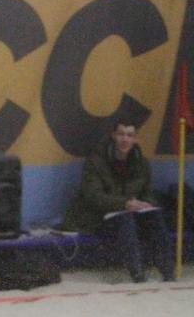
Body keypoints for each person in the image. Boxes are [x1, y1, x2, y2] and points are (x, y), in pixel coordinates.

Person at [61, 119, 175, 282]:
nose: (125, 139)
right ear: (113, 135)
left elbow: (147, 192)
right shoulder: (95, 161)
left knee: (155, 216)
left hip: (131, 214)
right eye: (121, 134)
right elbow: (92, 196)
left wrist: (147, 203)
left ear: (135, 138)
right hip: (98, 217)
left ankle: (168, 273)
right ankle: (138, 275)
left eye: (129, 135)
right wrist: (124, 204)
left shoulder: (142, 163)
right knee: (125, 220)